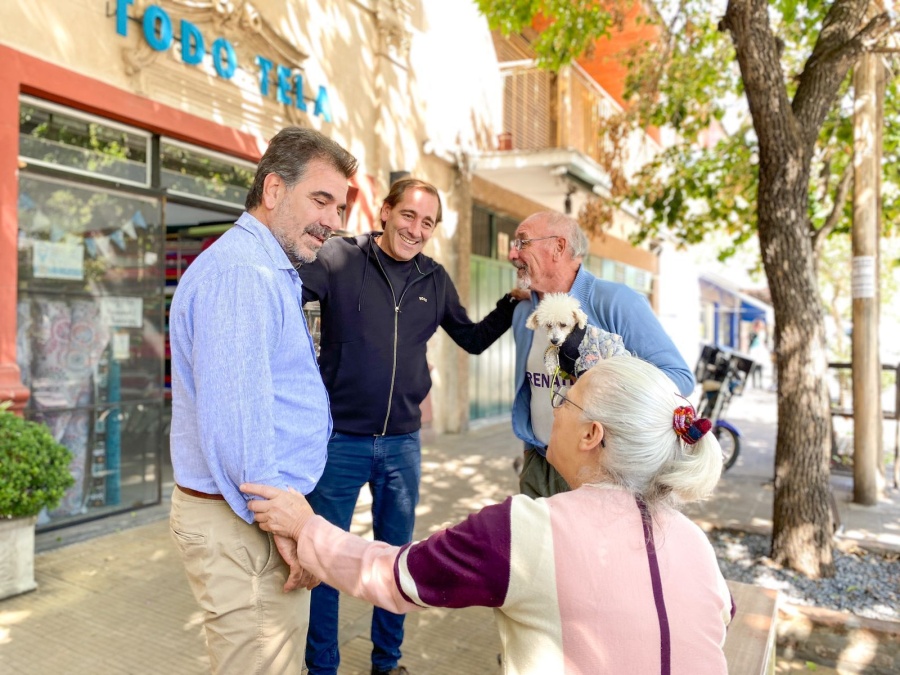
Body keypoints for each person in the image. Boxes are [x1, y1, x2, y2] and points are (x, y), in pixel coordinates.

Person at [241, 355, 735, 675]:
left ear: (592, 435)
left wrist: (305, 528)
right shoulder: (694, 543)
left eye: (565, 399)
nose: (554, 409)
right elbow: (716, 620)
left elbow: (396, 578)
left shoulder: (528, 531)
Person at [296, 177, 521, 675]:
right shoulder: (339, 259)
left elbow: (473, 338)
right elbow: (285, 296)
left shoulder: (434, 279)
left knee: (396, 561)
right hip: (339, 442)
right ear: (385, 211)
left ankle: (387, 662)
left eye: (427, 222)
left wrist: (512, 302)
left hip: (402, 445)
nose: (416, 229)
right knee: (325, 560)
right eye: (408, 216)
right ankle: (321, 667)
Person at [167, 126, 358, 675]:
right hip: (249, 525)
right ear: (273, 190)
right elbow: (240, 429)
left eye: (340, 207)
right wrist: (289, 531)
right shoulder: (243, 274)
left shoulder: (262, 266)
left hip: (252, 517)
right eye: (321, 200)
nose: (334, 222)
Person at [508, 211, 695, 498]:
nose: (512, 253)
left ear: (558, 247)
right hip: (538, 464)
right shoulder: (524, 311)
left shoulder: (618, 302)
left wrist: (606, 380)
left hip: (601, 474)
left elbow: (679, 378)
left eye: (522, 242)